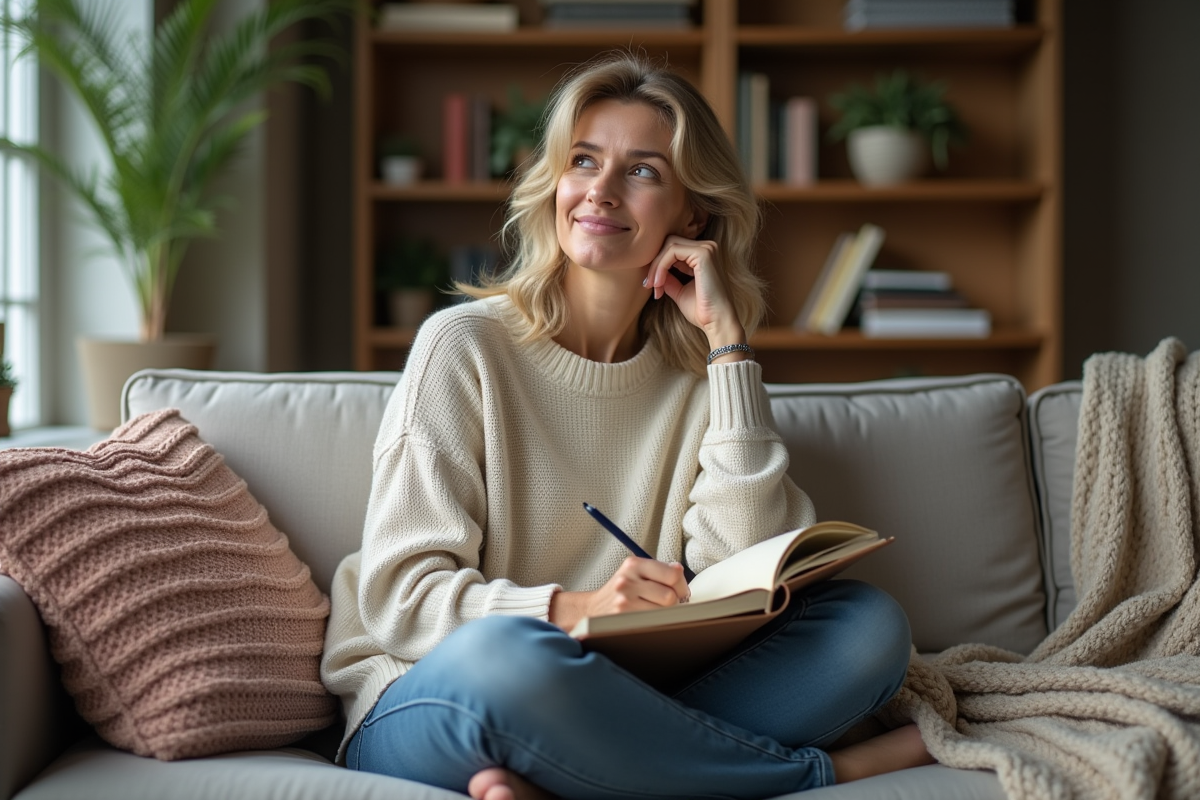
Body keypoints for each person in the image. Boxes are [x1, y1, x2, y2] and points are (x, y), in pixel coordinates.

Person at [321, 52, 933, 800]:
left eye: (642, 171)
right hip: (437, 692)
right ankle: (820, 771)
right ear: (556, 181)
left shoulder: (701, 379)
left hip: (632, 692)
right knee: (515, 659)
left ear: (691, 217)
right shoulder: (464, 347)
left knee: (867, 630)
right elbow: (400, 600)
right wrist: (573, 612)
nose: (600, 192)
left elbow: (741, 575)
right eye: (583, 161)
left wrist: (728, 349)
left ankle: (579, 772)